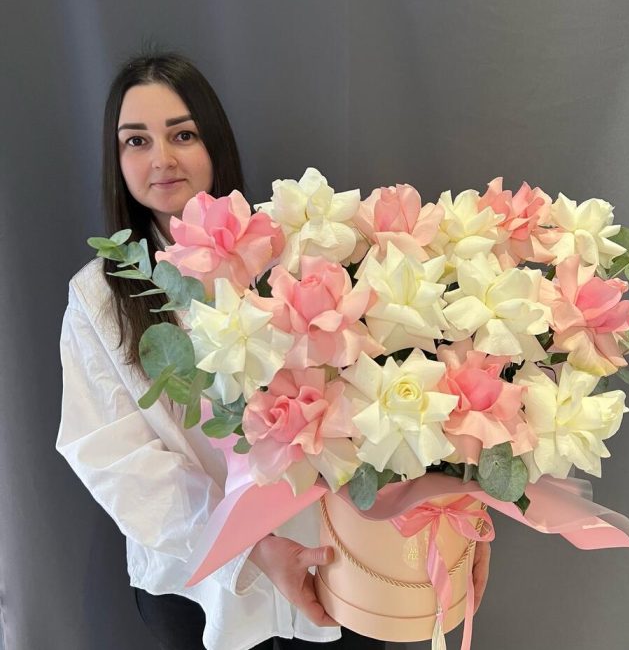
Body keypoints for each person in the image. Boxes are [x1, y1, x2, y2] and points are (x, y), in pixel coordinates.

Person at [56, 51, 491, 650]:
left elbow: (392, 389)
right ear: (117, 158)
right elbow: (115, 458)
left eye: (182, 134)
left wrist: (460, 511)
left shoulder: (298, 246)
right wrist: (252, 548)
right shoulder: (99, 298)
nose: (161, 158)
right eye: (136, 140)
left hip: (338, 562)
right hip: (200, 583)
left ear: (214, 141)